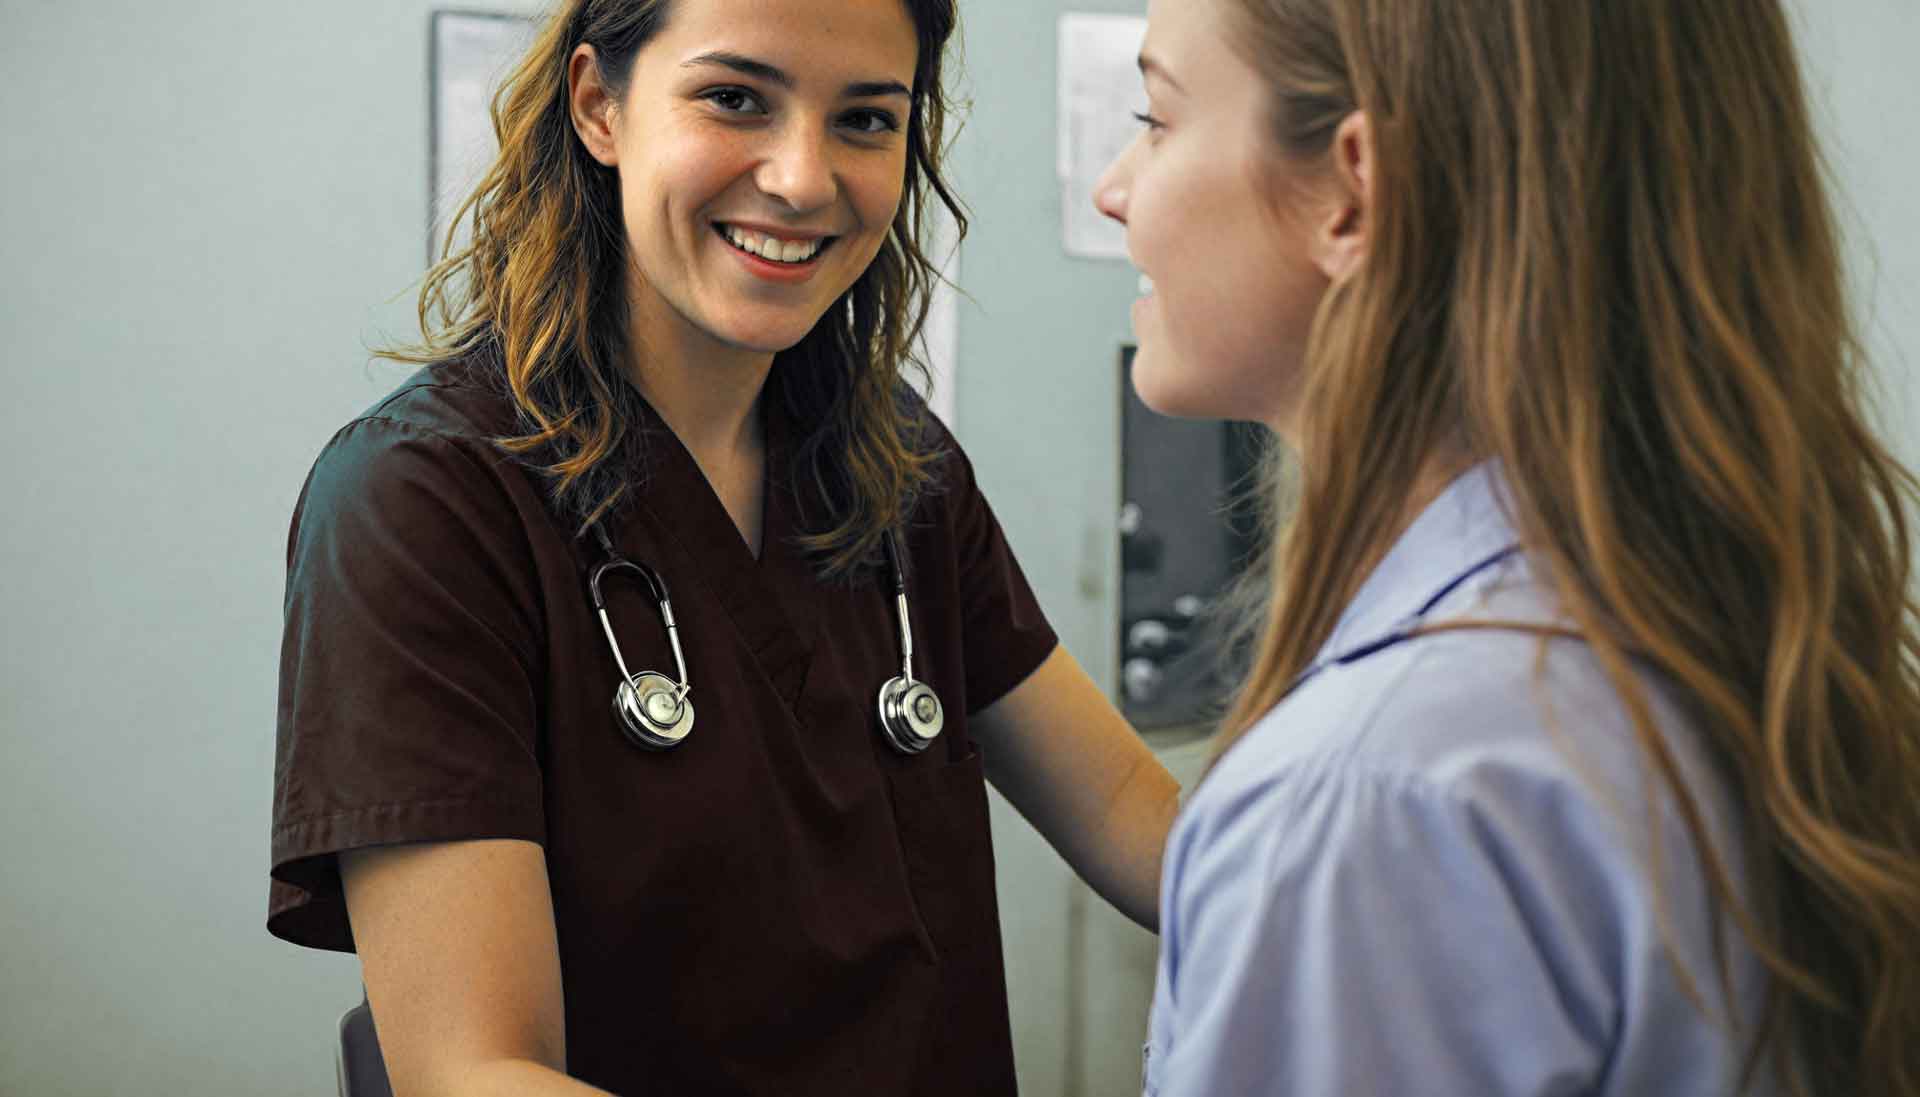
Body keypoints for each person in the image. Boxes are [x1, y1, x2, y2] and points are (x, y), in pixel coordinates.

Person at [268, 1, 1180, 1094]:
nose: (801, 177)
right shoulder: (426, 502)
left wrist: (1388, 879)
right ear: (599, 104)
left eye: (866, 120)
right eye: (735, 98)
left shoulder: (898, 468)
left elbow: (1134, 815)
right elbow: (477, 1068)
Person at [1094, 0, 1920, 1094]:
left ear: (1352, 189)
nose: (1115, 187)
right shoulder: (1734, 644)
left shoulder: (1373, 803)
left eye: (1156, 118)